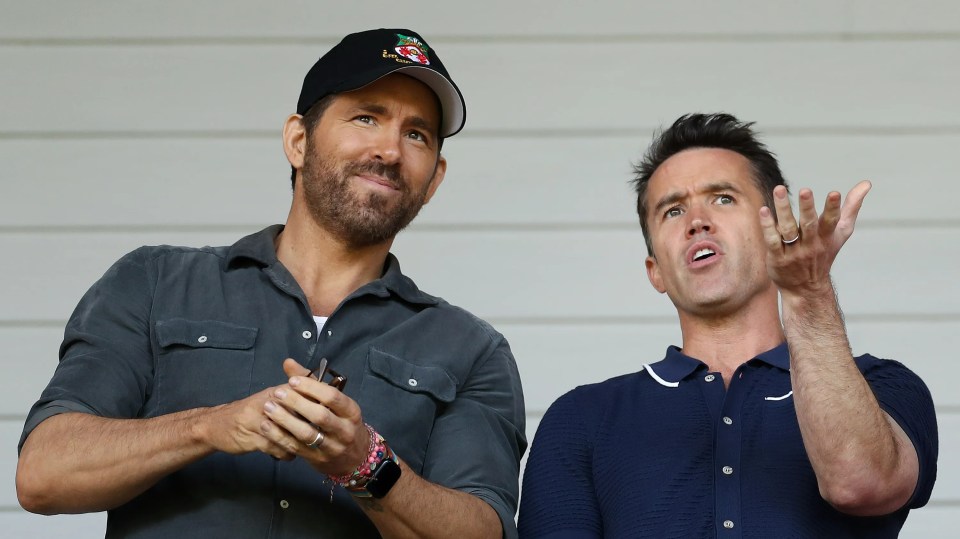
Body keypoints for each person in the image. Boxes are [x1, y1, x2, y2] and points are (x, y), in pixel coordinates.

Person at [16, 28, 526, 539]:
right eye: (366, 117)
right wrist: (210, 426)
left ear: (434, 179)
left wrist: (365, 463)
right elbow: (43, 474)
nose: (390, 150)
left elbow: (482, 530)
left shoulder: (472, 351)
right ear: (299, 141)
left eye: (416, 134)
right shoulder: (154, 282)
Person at [517, 113, 937, 538]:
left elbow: (861, 485)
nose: (697, 221)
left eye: (723, 198)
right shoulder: (581, 420)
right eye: (673, 210)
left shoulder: (883, 386)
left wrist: (809, 295)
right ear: (655, 271)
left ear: (778, 230)